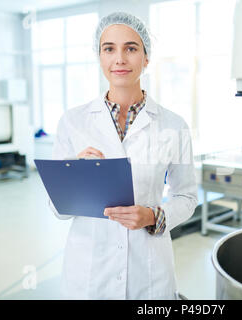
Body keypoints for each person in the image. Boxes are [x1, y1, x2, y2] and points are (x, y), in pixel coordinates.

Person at [48, 12, 198, 300]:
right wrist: (76, 176)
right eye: (109, 49)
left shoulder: (173, 125)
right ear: (100, 56)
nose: (119, 58)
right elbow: (58, 209)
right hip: (90, 272)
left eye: (131, 48)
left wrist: (154, 216)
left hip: (149, 271)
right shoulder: (73, 122)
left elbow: (187, 197)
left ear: (146, 57)